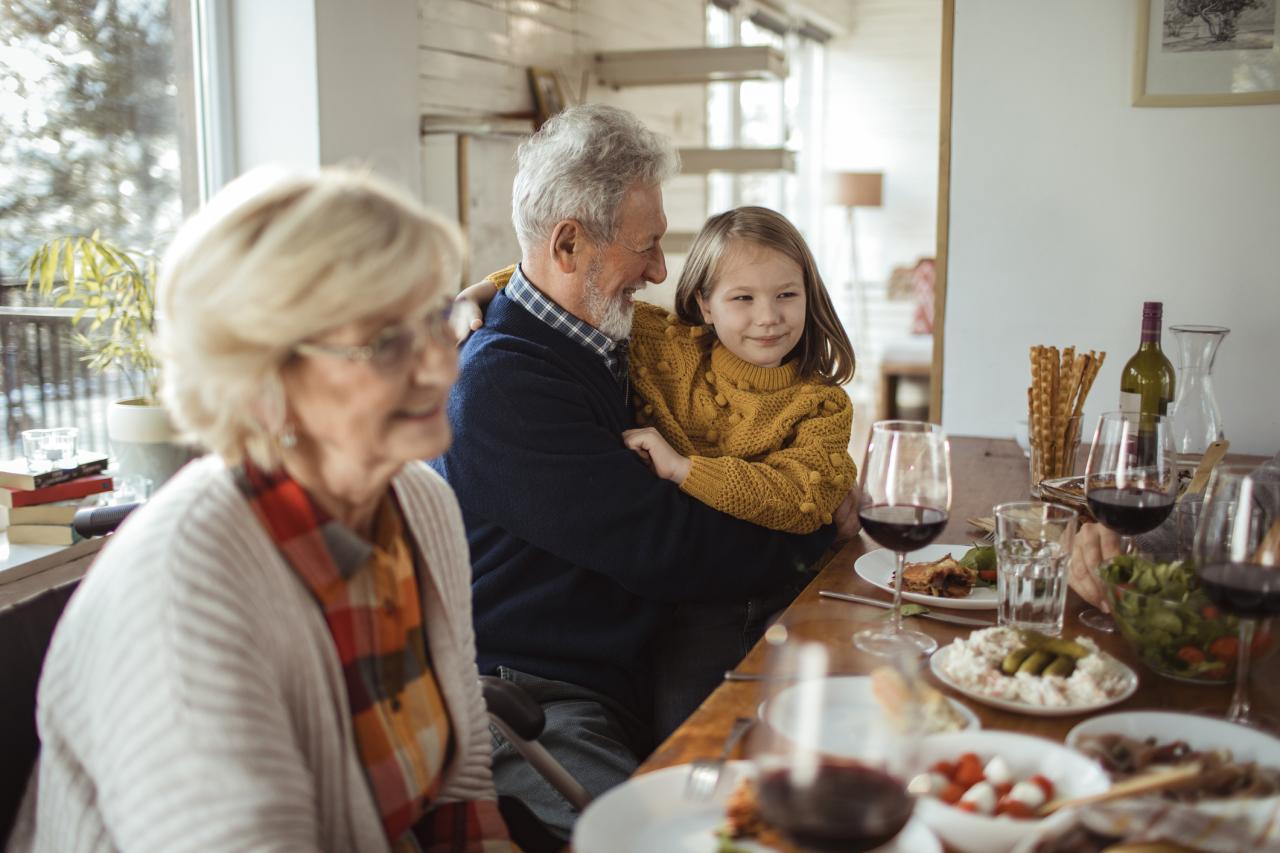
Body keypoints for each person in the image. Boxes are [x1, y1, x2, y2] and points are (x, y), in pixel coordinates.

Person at [13, 168, 515, 851]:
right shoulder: (186, 587)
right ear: (263, 381)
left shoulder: (419, 501)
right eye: (386, 340)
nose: (439, 363)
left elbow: (461, 786)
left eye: (434, 318)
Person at [431, 104, 857, 838]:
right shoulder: (504, 387)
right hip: (539, 695)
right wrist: (811, 530)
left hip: (634, 663)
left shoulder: (606, 336)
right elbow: (668, 547)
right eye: (648, 247)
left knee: (830, 767)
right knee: (676, 839)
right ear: (568, 244)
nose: (661, 271)